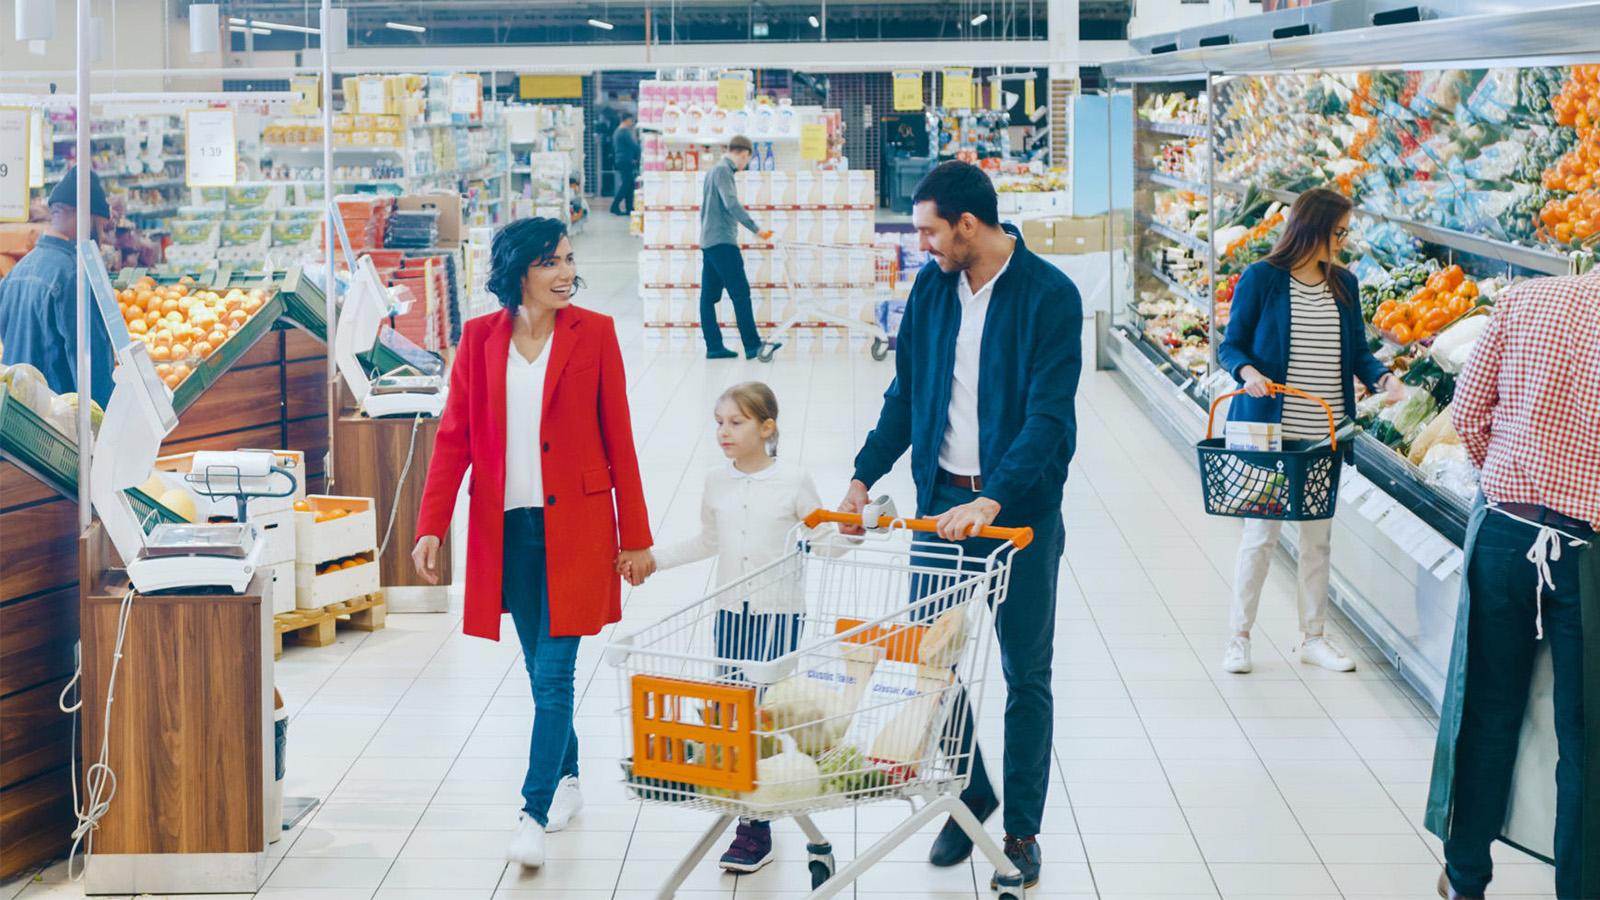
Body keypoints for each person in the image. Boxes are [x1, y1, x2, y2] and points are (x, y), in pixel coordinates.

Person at [840, 160, 1081, 890]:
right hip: (938, 506)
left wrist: (994, 500)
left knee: (1024, 673)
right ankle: (972, 790)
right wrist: (861, 477)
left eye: (929, 232)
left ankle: (1021, 830)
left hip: (1019, 518)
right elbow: (905, 393)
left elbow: (1048, 420)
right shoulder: (933, 288)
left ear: (967, 227)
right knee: (927, 663)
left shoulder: (1050, 297)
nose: (923, 246)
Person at [411, 217, 656, 869]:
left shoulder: (596, 335)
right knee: (537, 671)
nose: (567, 273)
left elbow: (620, 441)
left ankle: (533, 811)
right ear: (520, 270)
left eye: (571, 260)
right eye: (552, 262)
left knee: (554, 676)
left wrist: (635, 537)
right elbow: (455, 439)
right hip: (508, 532)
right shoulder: (479, 340)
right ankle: (570, 778)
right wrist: (431, 524)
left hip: (577, 529)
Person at [1426, 268, 1600, 900]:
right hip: (1587, 551)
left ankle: (1465, 876)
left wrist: (1510, 474)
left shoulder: (1526, 299)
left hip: (1505, 529)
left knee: (1489, 712)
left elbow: (1468, 413)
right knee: (1585, 738)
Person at [643, 381, 853, 874]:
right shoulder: (717, 481)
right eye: (719, 422)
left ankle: (753, 827)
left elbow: (822, 542)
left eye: (736, 422)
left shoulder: (794, 480)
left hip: (779, 616)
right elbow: (706, 541)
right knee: (731, 715)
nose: (724, 431)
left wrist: (854, 533)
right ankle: (752, 810)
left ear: (767, 427)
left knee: (765, 715)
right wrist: (653, 560)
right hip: (730, 618)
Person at [1215, 187, 1405, 675]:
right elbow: (1231, 345)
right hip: (1268, 433)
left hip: (1325, 433)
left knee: (1317, 539)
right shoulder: (1262, 279)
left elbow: (1359, 352)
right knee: (1261, 536)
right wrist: (1248, 374)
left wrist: (1382, 377)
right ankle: (1238, 637)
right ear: (1313, 228)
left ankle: (1312, 638)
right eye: (1338, 231)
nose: (1343, 241)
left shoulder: (1344, 283)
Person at [0, 166, 115, 407]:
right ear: (86, 215)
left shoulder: (16, 272)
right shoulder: (74, 276)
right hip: (59, 426)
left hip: (18, 417)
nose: (102, 239)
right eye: (102, 227)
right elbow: (92, 372)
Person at [698, 135, 773, 360]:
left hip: (709, 241)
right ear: (743, 153)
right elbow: (731, 204)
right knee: (740, 293)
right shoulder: (723, 171)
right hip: (722, 242)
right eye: (746, 160)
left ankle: (714, 346)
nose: (744, 165)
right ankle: (753, 346)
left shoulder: (713, 171)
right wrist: (756, 229)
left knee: (708, 298)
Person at [611, 113, 639, 217]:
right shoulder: (624, 132)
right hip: (625, 161)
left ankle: (629, 208)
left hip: (621, 160)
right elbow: (634, 145)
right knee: (626, 185)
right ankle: (614, 206)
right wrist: (639, 153)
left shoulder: (617, 132)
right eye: (631, 121)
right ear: (627, 120)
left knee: (630, 184)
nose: (631, 123)